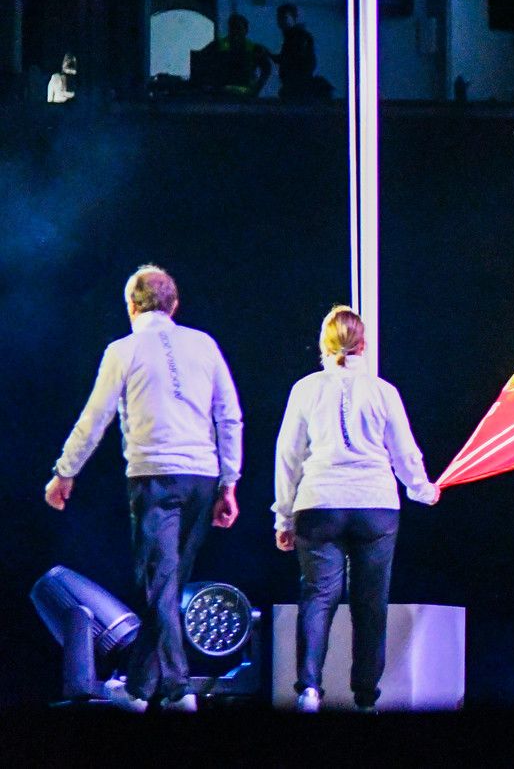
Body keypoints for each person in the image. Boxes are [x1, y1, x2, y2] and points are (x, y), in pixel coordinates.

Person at [44, 265, 243, 713]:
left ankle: (177, 690)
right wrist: (229, 482)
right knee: (167, 585)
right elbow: (229, 415)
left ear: (131, 306)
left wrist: (64, 471)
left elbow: (94, 418)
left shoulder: (123, 349)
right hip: (201, 477)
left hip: (153, 478)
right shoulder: (205, 345)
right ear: (174, 305)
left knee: (160, 586)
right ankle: (138, 687)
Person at [272, 306, 439, 712]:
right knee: (371, 603)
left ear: (323, 345)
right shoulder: (383, 391)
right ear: (364, 344)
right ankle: (366, 697)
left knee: (318, 597)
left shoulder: (305, 389)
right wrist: (422, 489)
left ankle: (309, 690)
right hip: (375, 506)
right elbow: (405, 451)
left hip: (320, 503)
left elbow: (288, 456)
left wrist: (283, 514)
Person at [191, 14, 271, 95]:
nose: (235, 31)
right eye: (232, 28)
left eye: (238, 28)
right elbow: (200, 62)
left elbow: (267, 68)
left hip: (246, 95)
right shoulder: (218, 46)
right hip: (222, 93)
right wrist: (205, 85)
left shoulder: (254, 49)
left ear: (246, 30)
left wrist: (258, 86)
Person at [272, 4, 331, 100]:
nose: (280, 21)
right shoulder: (292, 37)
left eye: (284, 17)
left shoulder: (298, 37)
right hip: (294, 85)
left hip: (298, 87)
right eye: (279, 18)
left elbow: (295, 59)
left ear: (294, 18)